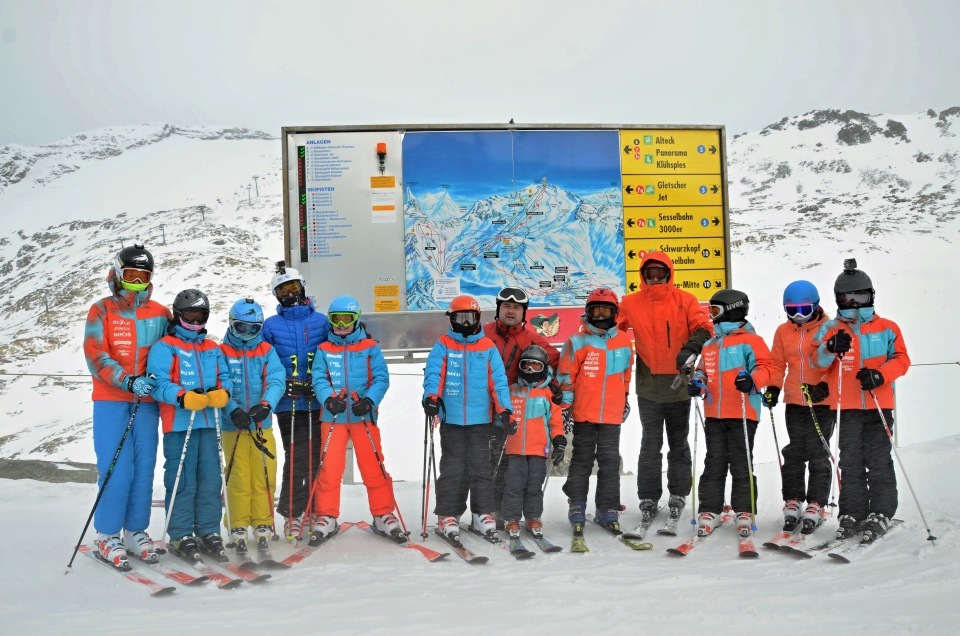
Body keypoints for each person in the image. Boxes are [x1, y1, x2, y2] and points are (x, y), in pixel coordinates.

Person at [83, 244, 171, 569]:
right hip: (112, 401)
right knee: (116, 469)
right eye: (131, 275)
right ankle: (107, 534)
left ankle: (135, 531)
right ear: (118, 274)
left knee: (143, 470)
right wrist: (126, 380)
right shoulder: (102, 310)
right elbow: (95, 354)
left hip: (146, 403)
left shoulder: (160, 313)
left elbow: (173, 349)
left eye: (143, 276)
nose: (136, 282)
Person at [810, 259, 910, 542]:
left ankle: (881, 511)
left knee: (878, 460)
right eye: (847, 298)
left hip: (878, 406)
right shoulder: (830, 328)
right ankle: (852, 511)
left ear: (871, 296)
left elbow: (902, 360)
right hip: (847, 407)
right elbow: (815, 361)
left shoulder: (887, 327)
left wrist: (880, 375)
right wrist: (830, 348)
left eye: (860, 297)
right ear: (838, 299)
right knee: (850, 461)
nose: (854, 304)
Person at [618, 252, 714, 528]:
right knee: (650, 442)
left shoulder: (686, 300)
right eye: (650, 273)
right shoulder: (631, 303)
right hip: (648, 384)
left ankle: (679, 492)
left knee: (678, 442)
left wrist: (691, 347)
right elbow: (612, 329)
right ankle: (648, 495)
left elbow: (704, 327)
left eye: (660, 272)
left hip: (678, 384)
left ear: (669, 273)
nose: (655, 277)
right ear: (643, 275)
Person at [148, 289, 231, 561]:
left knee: (210, 480)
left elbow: (225, 377)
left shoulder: (212, 348)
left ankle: (208, 530)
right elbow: (157, 383)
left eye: (201, 316)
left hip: (209, 423)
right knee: (182, 481)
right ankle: (181, 533)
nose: (195, 322)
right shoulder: (165, 347)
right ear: (178, 316)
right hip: (179, 425)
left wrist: (223, 392)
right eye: (190, 316)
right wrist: (182, 397)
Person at [309, 295, 399, 543]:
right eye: (335, 319)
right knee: (330, 467)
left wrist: (369, 401)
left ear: (356, 319)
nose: (341, 325)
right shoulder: (324, 349)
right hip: (334, 417)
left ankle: (383, 514)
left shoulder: (370, 347)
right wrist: (328, 399)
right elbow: (319, 378)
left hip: (363, 416)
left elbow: (381, 378)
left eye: (346, 319)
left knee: (373, 465)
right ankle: (326, 515)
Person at [422, 294, 512, 541]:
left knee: (482, 469)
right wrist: (431, 397)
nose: (464, 323)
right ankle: (448, 514)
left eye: (469, 318)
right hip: (451, 420)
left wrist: (504, 409)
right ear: (451, 319)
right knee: (453, 469)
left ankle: (482, 513)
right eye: (459, 318)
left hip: (480, 421)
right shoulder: (443, 344)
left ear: (478, 318)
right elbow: (434, 374)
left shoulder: (487, 347)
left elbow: (498, 382)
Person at [687, 289, 773, 539]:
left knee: (740, 462)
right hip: (715, 413)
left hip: (743, 413)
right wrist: (698, 382)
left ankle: (744, 510)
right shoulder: (710, 345)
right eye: (710, 311)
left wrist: (753, 381)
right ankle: (710, 509)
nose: (712, 316)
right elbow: (702, 371)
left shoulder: (751, 341)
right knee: (714, 462)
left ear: (732, 310)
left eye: (715, 310)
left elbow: (765, 367)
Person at [261, 262, 330, 539]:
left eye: (293, 287)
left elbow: (333, 353)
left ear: (302, 287)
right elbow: (264, 361)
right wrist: (282, 384)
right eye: (283, 291)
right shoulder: (271, 325)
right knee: (295, 457)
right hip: (288, 403)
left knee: (316, 457)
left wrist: (322, 384)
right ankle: (292, 513)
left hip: (316, 400)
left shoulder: (321, 321)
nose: (290, 294)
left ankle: (314, 508)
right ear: (276, 295)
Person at [483, 286, 561, 527]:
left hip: (514, 409)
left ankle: (505, 512)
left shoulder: (532, 339)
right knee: (484, 464)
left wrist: (554, 386)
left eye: (516, 308)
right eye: (506, 306)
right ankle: (484, 511)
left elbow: (556, 360)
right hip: (482, 408)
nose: (511, 311)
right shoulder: (483, 333)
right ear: (498, 309)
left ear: (524, 313)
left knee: (508, 466)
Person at [558, 288, 634, 531]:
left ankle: (607, 507)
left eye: (606, 311)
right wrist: (566, 408)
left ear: (615, 313)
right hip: (584, 413)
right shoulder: (577, 341)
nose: (600, 316)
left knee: (610, 461)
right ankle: (577, 503)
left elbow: (625, 375)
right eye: (595, 311)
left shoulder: (624, 341)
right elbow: (565, 377)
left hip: (611, 414)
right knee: (582, 459)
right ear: (587, 312)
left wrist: (624, 398)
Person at [767, 280, 834, 534]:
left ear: (815, 306)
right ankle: (793, 500)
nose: (798, 316)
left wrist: (825, 386)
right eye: (792, 310)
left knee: (818, 452)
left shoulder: (828, 329)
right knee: (795, 451)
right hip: (795, 401)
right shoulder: (783, 331)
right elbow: (777, 364)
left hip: (821, 401)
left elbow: (836, 364)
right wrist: (774, 387)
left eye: (804, 310)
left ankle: (817, 502)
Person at [219, 298, 285, 555]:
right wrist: (231, 409)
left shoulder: (266, 351)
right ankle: (237, 523)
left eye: (253, 329)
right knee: (238, 475)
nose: (246, 334)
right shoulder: (222, 352)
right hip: (232, 425)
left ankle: (263, 520)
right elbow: (220, 382)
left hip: (260, 423)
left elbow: (276, 379)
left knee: (264, 473)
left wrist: (266, 405)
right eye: (241, 328)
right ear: (231, 324)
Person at [501, 345, 566, 539]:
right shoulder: (512, 391)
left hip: (538, 449)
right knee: (514, 485)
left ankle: (533, 517)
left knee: (534, 486)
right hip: (514, 449)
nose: (530, 370)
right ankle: (511, 518)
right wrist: (499, 431)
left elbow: (555, 422)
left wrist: (559, 441)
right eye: (526, 365)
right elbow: (502, 415)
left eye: (535, 366)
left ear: (544, 369)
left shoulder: (547, 394)